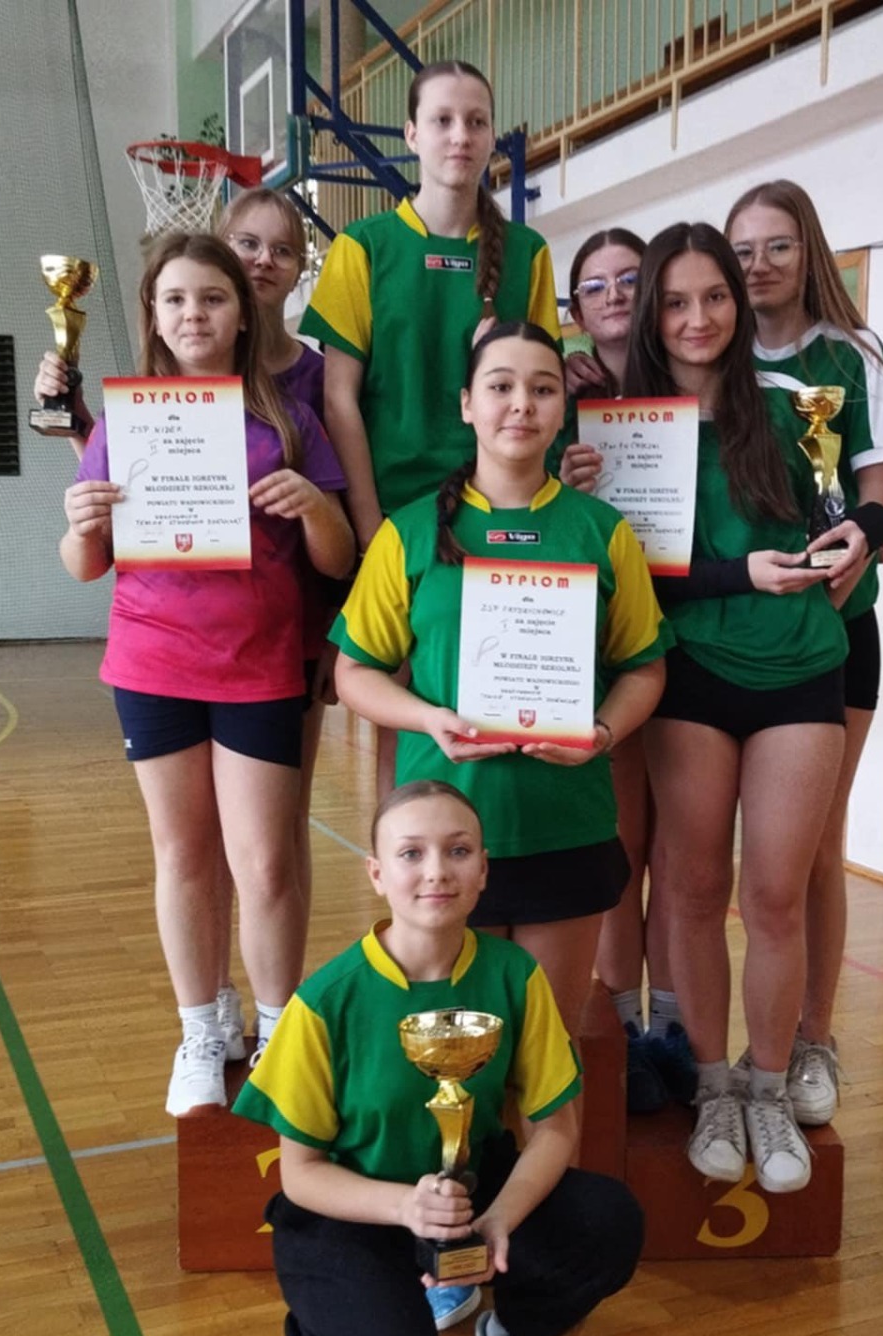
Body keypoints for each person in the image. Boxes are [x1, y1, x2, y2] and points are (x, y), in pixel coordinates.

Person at [234, 780, 643, 1336]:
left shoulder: (515, 974)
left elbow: (555, 1128)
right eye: (411, 853)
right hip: (354, 1208)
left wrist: (497, 1221)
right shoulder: (325, 1000)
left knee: (608, 1218)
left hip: (472, 1191)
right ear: (377, 873)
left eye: (458, 851)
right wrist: (405, 1207)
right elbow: (300, 1174)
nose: (436, 871)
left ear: (483, 869)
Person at [57, 232, 353, 1114]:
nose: (195, 314)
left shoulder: (289, 421)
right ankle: (199, 1028)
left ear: (243, 313)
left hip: (260, 665)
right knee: (183, 854)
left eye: (213, 298)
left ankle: (276, 1031)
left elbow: (339, 559)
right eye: (177, 298)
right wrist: (80, 521)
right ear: (153, 315)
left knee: (264, 861)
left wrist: (314, 506)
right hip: (153, 662)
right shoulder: (125, 423)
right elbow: (85, 566)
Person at [332, 321, 668, 1038]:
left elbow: (644, 667)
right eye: (501, 386)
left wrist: (603, 732)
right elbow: (355, 672)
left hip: (564, 824)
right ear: (467, 404)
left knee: (547, 1049)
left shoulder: (602, 531)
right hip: (445, 836)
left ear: (561, 408)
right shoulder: (409, 532)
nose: (521, 404)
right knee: (454, 1058)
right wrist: (428, 719)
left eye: (543, 389)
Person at [626, 222, 869, 1194]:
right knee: (693, 891)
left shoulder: (796, 407)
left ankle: (770, 1086)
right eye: (676, 301)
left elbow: (846, 524)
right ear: (652, 312)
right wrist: (735, 574)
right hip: (690, 672)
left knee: (775, 893)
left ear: (738, 301)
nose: (698, 318)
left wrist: (841, 553)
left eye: (715, 296)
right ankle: (714, 1084)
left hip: (800, 670)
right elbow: (630, 571)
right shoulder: (625, 430)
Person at [302, 59, 562, 798]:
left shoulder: (528, 254)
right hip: (398, 518)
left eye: (476, 121)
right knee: (410, 721)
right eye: (443, 120)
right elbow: (339, 399)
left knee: (502, 709)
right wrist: (370, 527)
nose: (460, 135)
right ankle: (407, 866)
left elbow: (541, 387)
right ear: (412, 134)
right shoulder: (362, 247)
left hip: (497, 513)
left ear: (492, 137)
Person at [727, 180, 883, 1126]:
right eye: (743, 249)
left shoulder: (853, 353)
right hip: (731, 635)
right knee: (729, 869)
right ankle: (721, 1047)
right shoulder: (711, 355)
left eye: (778, 246)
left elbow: (880, 488)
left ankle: (815, 1039)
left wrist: (863, 535)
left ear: (809, 253)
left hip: (837, 630)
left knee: (812, 851)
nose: (758, 265)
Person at [546, 230, 695, 1115]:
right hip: (597, 641)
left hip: (693, 626)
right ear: (573, 305)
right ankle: (619, 1026)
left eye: (630, 280)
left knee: (680, 850)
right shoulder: (559, 393)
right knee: (620, 844)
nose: (613, 296)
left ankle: (671, 1024)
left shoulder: (690, 379)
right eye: (593, 285)